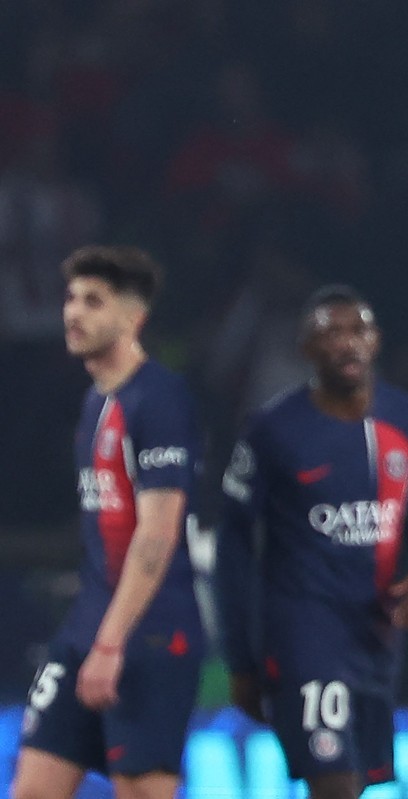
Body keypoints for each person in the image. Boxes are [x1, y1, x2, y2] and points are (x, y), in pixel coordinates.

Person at [215, 285, 408, 799]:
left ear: (377, 340)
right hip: (303, 631)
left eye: (357, 330)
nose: (347, 343)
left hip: (377, 638)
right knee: (335, 783)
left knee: (356, 782)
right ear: (305, 349)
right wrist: (240, 657)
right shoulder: (273, 430)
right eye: (330, 332)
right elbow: (233, 541)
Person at [12, 246, 205, 799]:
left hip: (147, 635)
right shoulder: (95, 403)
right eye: (71, 299)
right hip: (85, 629)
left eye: (93, 302)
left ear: (133, 318)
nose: (73, 313)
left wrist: (112, 642)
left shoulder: (160, 399)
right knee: (32, 788)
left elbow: (158, 531)